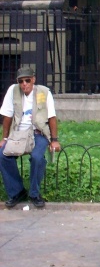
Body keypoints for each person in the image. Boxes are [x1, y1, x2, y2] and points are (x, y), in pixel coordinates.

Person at [0, 65, 61, 209]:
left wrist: (54, 140)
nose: (24, 84)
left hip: (37, 133)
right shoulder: (13, 91)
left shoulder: (44, 92)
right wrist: (4, 138)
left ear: (33, 79)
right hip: (18, 133)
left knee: (37, 158)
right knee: (3, 155)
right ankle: (17, 191)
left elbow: (52, 116)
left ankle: (34, 193)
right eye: (21, 81)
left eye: (27, 80)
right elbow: (7, 116)